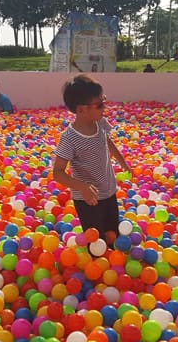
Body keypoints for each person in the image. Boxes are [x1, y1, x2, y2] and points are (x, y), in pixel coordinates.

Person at [52, 75, 131, 244]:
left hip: (109, 191)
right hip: (88, 199)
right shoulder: (69, 138)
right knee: (96, 241)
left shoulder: (100, 122)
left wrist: (121, 160)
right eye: (100, 104)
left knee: (113, 234)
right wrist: (82, 187)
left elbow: (106, 140)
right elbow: (58, 173)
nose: (105, 107)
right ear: (81, 110)